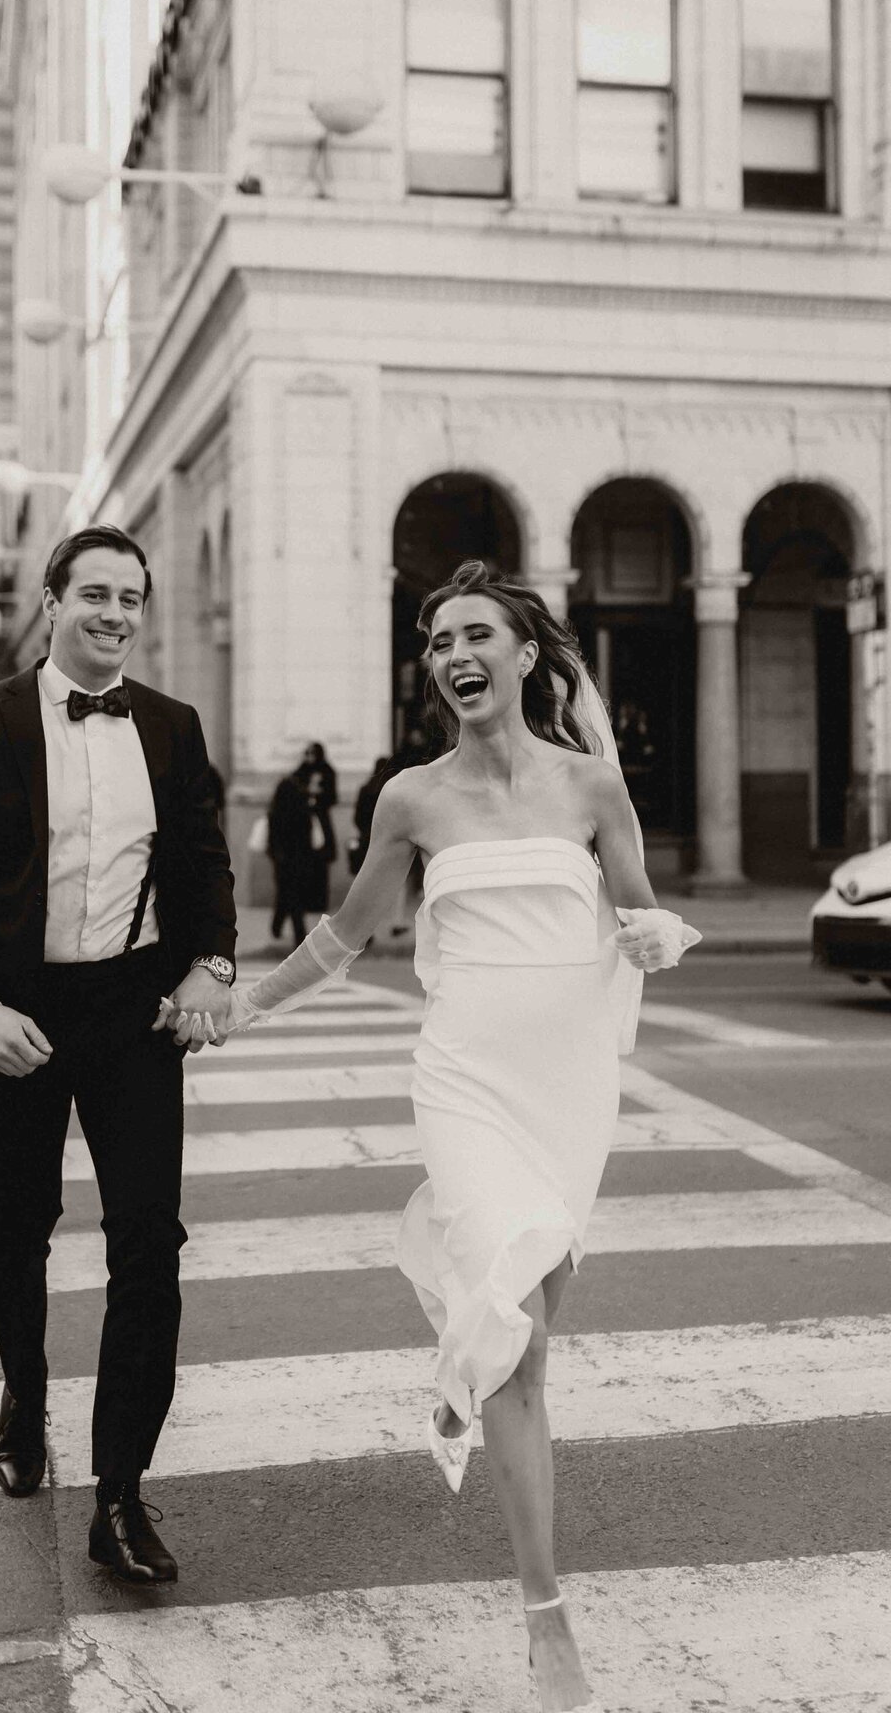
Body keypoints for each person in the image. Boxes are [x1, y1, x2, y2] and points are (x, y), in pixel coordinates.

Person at [224, 563, 698, 1713]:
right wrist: (239, 1006)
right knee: (519, 1344)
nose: (452, 654)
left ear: (527, 655)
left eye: (475, 633)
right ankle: (548, 1622)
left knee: (523, 1336)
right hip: (467, 1083)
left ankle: (464, 1364)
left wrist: (658, 937)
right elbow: (344, 936)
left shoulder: (592, 788)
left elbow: (640, 912)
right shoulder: (408, 799)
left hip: (568, 1091)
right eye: (437, 642)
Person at [0, 524, 237, 1588]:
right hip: (18, 1013)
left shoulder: (174, 729)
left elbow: (204, 871)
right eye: (94, 594)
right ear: (51, 604)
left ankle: (121, 1495)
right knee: (16, 1229)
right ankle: (24, 1391)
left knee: (149, 1243)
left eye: (131, 597)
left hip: (133, 1011)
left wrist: (212, 967)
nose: (115, 614)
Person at [266, 750, 337, 945]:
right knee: (292, 893)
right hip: (292, 853)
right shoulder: (297, 797)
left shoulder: (290, 795)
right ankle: (298, 934)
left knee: (287, 891)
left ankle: (279, 923)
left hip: (287, 854)